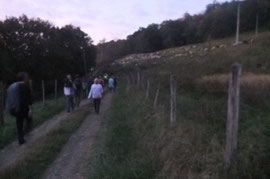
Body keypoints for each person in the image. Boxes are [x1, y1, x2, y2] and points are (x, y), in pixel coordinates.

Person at [6, 72, 32, 145]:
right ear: (24, 78)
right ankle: (27, 131)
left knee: (19, 123)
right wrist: (30, 109)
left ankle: (21, 139)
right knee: (29, 119)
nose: (27, 78)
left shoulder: (12, 86)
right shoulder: (26, 86)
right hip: (23, 108)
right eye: (26, 77)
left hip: (14, 109)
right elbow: (28, 99)